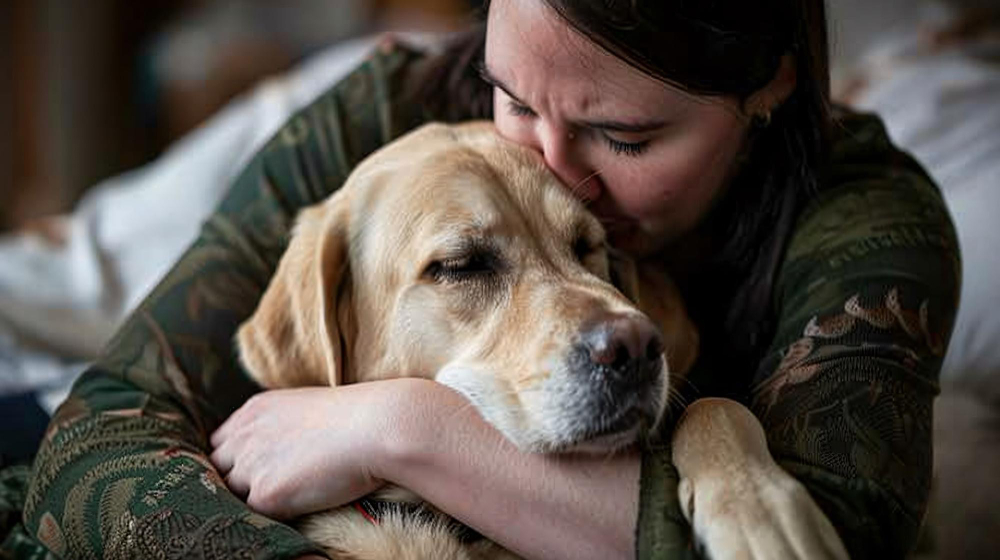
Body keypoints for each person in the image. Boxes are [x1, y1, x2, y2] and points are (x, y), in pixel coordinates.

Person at [16, 0, 960, 558]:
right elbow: (98, 434)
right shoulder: (388, 119)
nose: (549, 161)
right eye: (512, 95)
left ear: (769, 91)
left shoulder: (871, 223)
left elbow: (838, 536)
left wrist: (399, 426)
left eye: (623, 136)